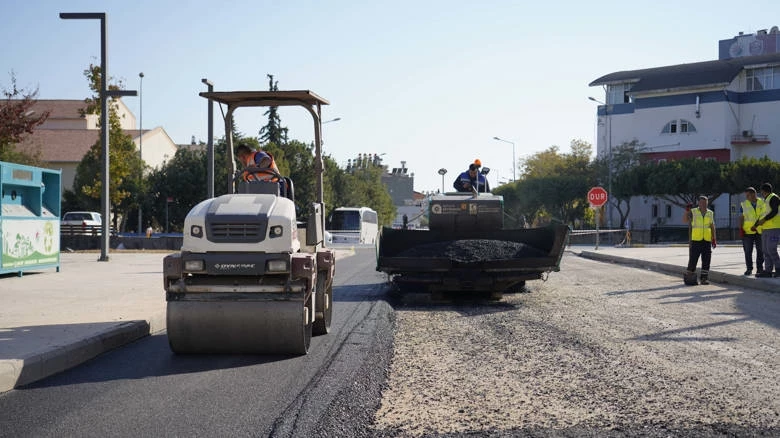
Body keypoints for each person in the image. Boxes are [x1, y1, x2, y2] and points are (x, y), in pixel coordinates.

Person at [683, 195, 717, 285]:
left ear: (707, 203)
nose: (703, 204)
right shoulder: (693, 211)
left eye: (705, 203)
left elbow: (712, 226)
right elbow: (685, 220)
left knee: (706, 260)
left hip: (706, 240)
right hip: (696, 240)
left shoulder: (710, 213)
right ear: (699, 203)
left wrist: (714, 238)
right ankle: (689, 276)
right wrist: (687, 211)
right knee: (693, 259)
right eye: (702, 202)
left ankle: (704, 279)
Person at [752, 182, 780, 278]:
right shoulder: (765, 201)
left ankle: (778, 268)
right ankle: (768, 271)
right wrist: (755, 225)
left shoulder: (774, 198)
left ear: (763, 191)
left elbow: (775, 211)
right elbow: (762, 215)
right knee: (765, 250)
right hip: (765, 228)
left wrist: (764, 220)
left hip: (774, 228)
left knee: (771, 248)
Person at [738, 187, 765, 276]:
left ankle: (760, 269)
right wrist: (741, 229)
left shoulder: (763, 202)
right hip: (747, 231)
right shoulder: (744, 204)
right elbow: (741, 218)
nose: (747, 197)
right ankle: (749, 269)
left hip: (760, 230)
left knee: (760, 251)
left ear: (754, 194)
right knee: (748, 251)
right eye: (746, 195)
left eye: (748, 195)